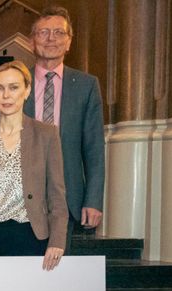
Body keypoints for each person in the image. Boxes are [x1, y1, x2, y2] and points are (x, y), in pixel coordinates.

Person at [0, 61, 68, 271]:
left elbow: (56, 191)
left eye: (14, 87)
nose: (6, 95)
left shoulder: (47, 134)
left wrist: (57, 240)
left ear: (27, 91)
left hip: (32, 236)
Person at [27, 5, 105, 248]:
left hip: (67, 195)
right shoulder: (14, 81)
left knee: (60, 274)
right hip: (20, 195)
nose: (51, 39)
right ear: (32, 41)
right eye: (43, 32)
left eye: (59, 33)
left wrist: (93, 199)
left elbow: (94, 148)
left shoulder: (86, 85)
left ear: (69, 42)